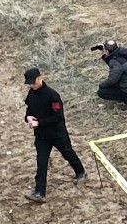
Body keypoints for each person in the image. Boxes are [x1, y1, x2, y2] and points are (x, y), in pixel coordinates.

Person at [23, 67, 86, 202]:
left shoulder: (53, 95)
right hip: (41, 136)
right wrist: (28, 118)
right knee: (41, 162)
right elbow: (29, 110)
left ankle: (80, 171)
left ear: (41, 78)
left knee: (68, 153)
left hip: (57, 134)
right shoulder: (31, 94)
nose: (31, 85)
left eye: (33, 82)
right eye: (29, 83)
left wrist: (39, 123)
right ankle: (40, 192)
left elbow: (57, 117)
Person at [94, 41, 127, 109]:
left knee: (101, 92)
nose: (102, 51)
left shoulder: (114, 62)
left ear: (107, 51)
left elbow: (112, 80)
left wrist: (102, 85)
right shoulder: (120, 54)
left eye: (103, 50)